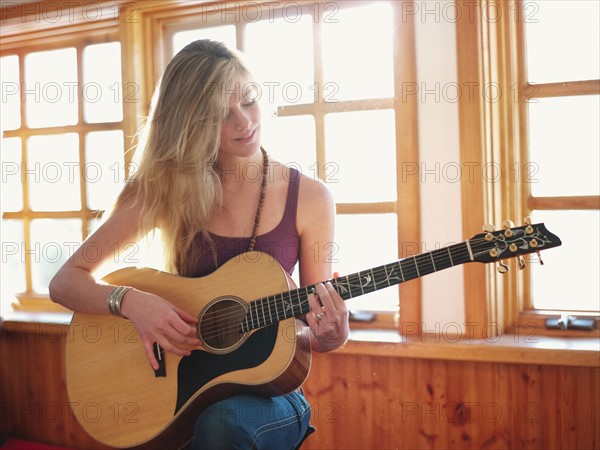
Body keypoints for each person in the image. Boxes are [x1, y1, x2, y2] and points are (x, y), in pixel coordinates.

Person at [49, 39, 349, 449]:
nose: (243, 122)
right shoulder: (162, 191)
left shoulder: (310, 198)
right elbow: (65, 282)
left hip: (272, 397)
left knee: (223, 425)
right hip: (184, 390)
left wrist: (332, 334)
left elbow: (312, 332)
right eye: (219, 115)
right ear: (189, 124)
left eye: (248, 100)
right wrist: (132, 303)